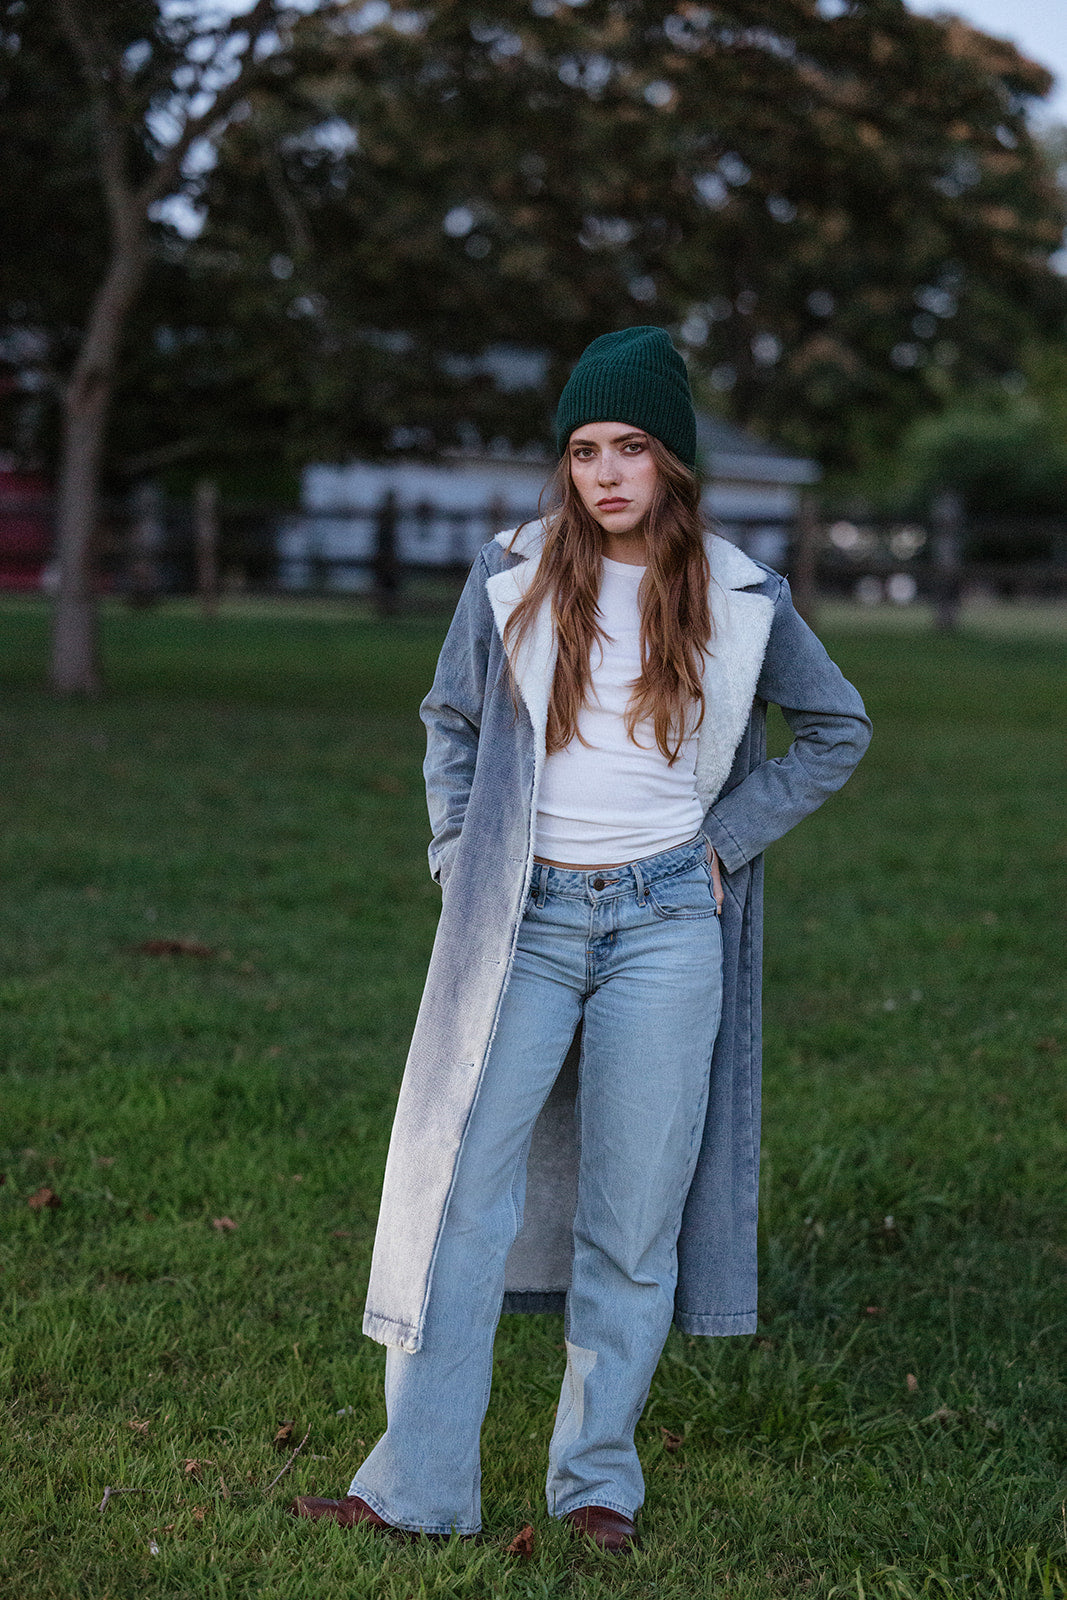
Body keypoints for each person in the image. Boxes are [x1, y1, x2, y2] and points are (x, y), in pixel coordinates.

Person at [292, 327, 871, 1552]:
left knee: (631, 1213)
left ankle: (595, 1480)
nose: (605, 473)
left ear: (671, 462)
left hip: (667, 922)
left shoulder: (739, 595)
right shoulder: (507, 574)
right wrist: (459, 858)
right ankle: (417, 1484)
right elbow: (449, 720)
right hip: (523, 919)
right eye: (584, 450)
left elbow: (834, 730)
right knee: (459, 1195)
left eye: (631, 447)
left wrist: (724, 842)